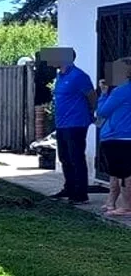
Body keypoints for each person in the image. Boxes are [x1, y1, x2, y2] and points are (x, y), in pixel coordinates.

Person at [52, 51, 97, 204]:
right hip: (61, 123)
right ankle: (69, 188)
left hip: (76, 123)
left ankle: (81, 194)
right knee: (65, 157)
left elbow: (92, 97)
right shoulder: (60, 76)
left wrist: (91, 114)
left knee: (76, 157)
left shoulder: (79, 76)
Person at [97, 61, 131, 217]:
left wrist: (103, 94)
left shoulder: (121, 91)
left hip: (118, 136)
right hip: (122, 136)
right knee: (116, 172)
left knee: (123, 173)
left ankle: (126, 206)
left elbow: (103, 112)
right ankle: (111, 202)